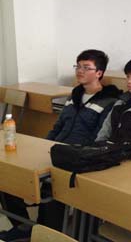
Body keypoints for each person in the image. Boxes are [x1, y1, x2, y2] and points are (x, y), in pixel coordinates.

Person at [0, 50, 120, 240]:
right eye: (78, 66)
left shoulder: (109, 101)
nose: (80, 71)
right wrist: (44, 146)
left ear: (99, 73)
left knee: (51, 187)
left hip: (76, 156)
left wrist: (73, 154)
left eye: (86, 67)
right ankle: (24, 227)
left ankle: (47, 233)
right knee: (7, 175)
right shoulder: (75, 95)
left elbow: (98, 138)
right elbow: (58, 126)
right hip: (55, 149)